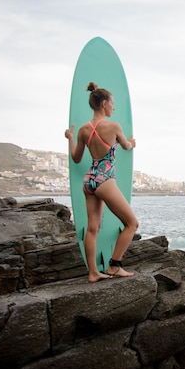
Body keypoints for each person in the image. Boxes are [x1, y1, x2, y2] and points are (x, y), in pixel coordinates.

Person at [65, 82, 138, 282]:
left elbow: (76, 157)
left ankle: (93, 273)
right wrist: (132, 143)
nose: (114, 108)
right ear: (104, 103)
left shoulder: (83, 130)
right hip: (105, 179)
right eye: (112, 104)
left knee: (92, 228)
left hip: (89, 180)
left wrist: (70, 138)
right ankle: (115, 266)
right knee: (132, 224)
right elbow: (125, 145)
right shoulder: (113, 126)